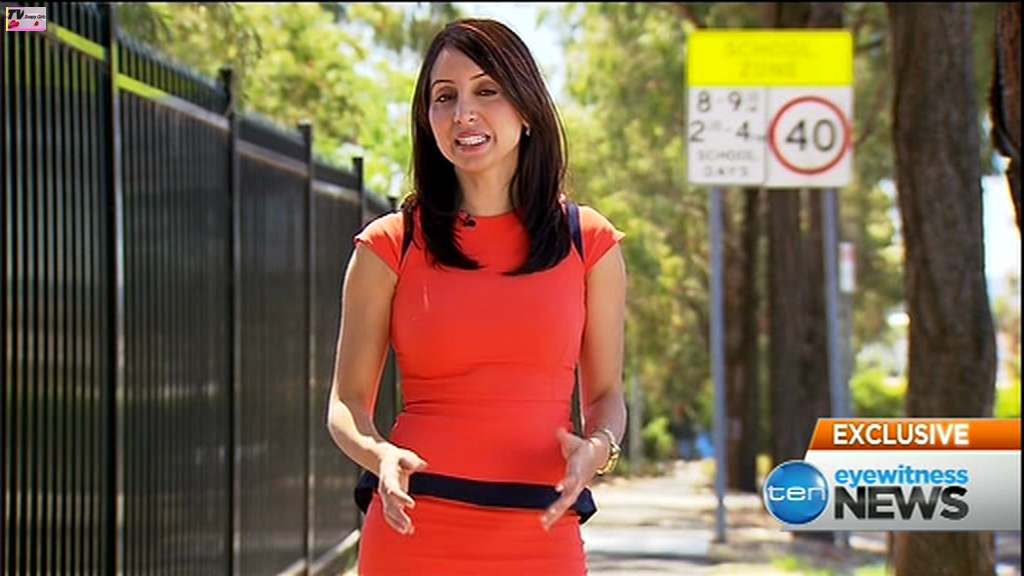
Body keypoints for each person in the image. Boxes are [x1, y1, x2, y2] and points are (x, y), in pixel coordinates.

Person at [326, 17, 627, 575]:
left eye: (487, 90)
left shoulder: (589, 243)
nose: (463, 112)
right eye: (445, 97)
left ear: (527, 109)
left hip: (541, 533)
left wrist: (598, 448)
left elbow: (607, 395)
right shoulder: (389, 245)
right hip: (412, 532)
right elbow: (346, 405)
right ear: (428, 119)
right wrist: (379, 454)